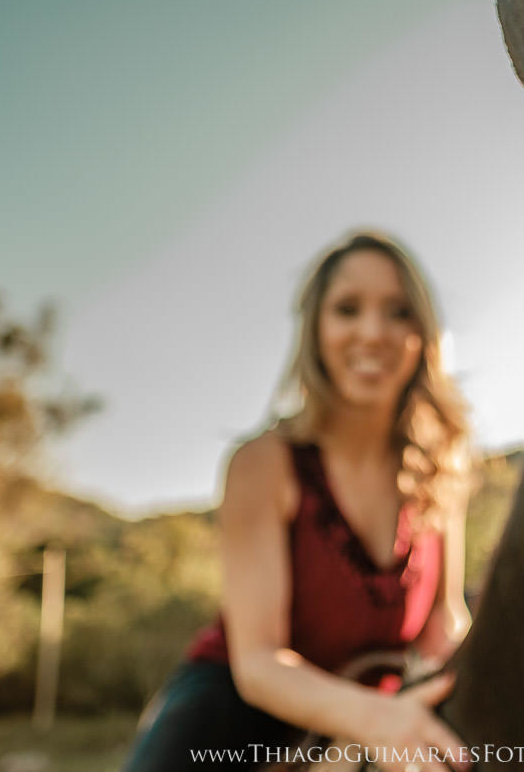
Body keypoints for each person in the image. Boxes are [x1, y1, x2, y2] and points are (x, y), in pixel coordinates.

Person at [124, 232, 474, 772]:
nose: (372, 332)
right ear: (315, 330)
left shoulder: (441, 468)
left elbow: (443, 623)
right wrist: (373, 722)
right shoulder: (263, 464)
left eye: (399, 311)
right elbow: (259, 664)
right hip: (230, 725)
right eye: (347, 309)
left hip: (380, 726)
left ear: (423, 333)